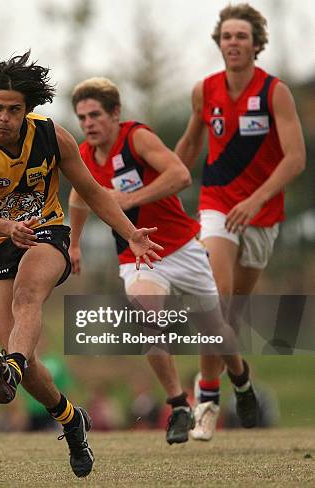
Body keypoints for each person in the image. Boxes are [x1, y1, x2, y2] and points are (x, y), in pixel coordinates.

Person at [0, 51, 162, 478]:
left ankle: (9, 364)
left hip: (46, 234)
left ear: (28, 111)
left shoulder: (53, 137)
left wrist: (130, 232)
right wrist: (8, 227)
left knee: (27, 297)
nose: (4, 118)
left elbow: (94, 191)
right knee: (25, 365)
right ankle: (70, 418)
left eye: (13, 110)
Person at [67, 77, 258, 445]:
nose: (88, 123)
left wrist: (130, 198)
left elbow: (180, 175)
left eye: (95, 115)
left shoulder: (136, 137)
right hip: (136, 254)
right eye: (82, 117)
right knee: (147, 323)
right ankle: (178, 406)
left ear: (115, 114)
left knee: (215, 330)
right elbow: (78, 197)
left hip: (183, 247)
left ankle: (241, 379)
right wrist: (74, 244)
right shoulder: (85, 156)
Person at [175, 3, 306, 440]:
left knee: (230, 311)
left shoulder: (275, 92)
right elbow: (190, 146)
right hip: (216, 205)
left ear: (255, 44)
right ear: (219, 42)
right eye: (227, 36)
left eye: (241, 36)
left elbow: (295, 158)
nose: (233, 43)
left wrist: (257, 199)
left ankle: (242, 380)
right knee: (213, 298)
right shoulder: (205, 91)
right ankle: (208, 397)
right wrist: (164, 189)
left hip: (262, 214)